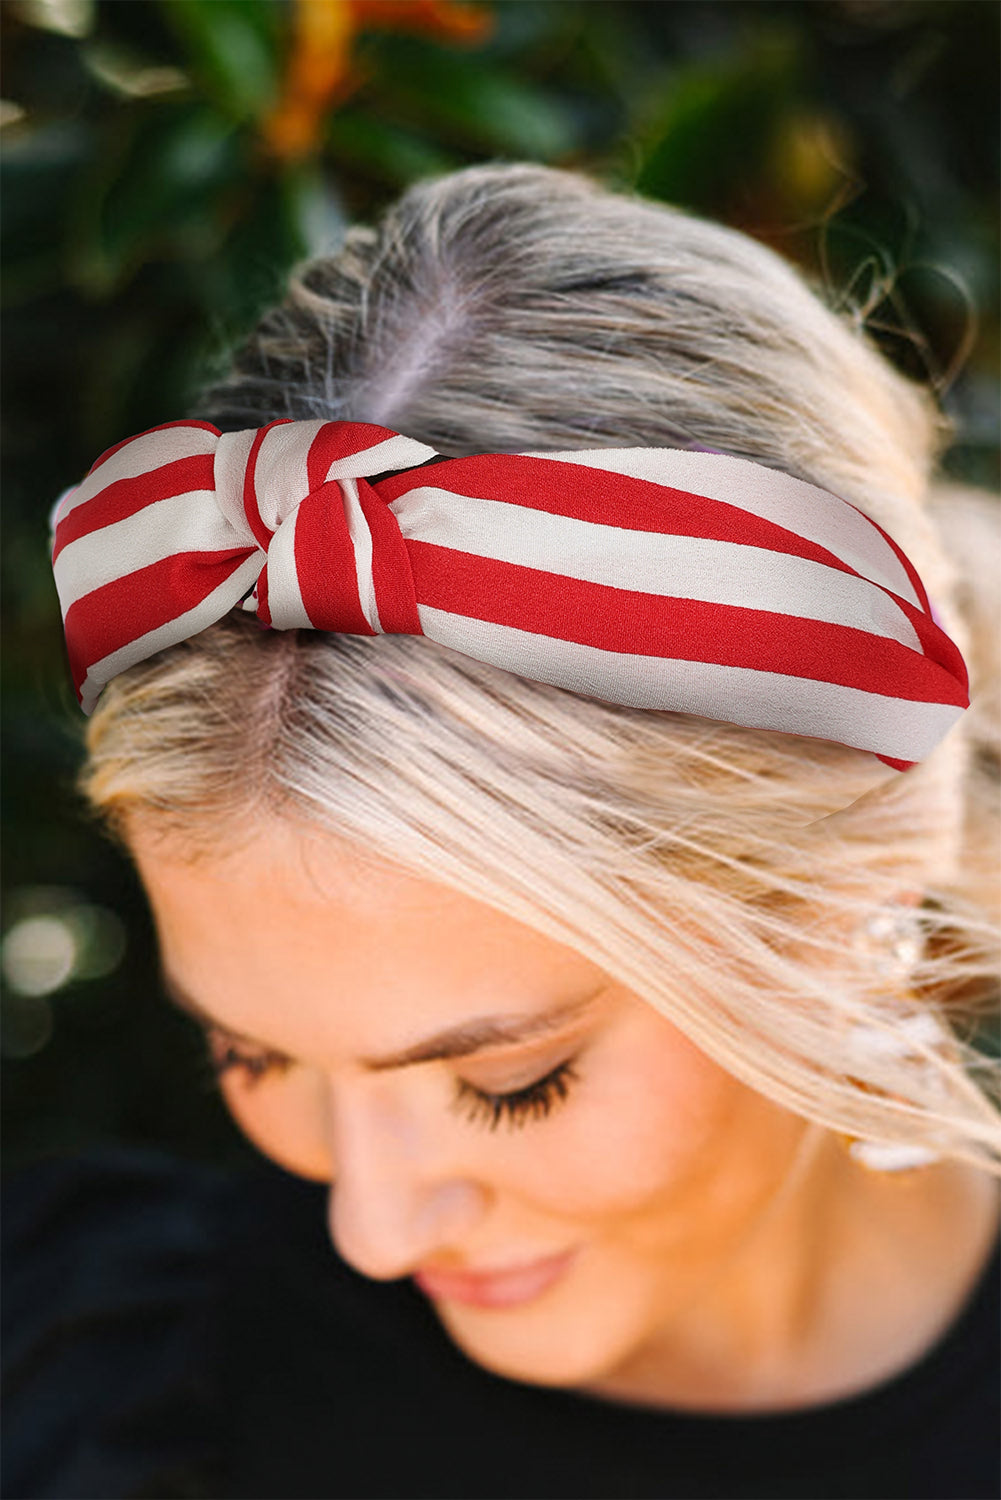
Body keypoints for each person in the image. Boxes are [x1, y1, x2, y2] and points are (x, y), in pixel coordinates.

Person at [4, 162, 1000, 1500]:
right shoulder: (83, 1387)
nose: (372, 1228)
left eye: (513, 1082)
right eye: (251, 1055)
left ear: (851, 886)